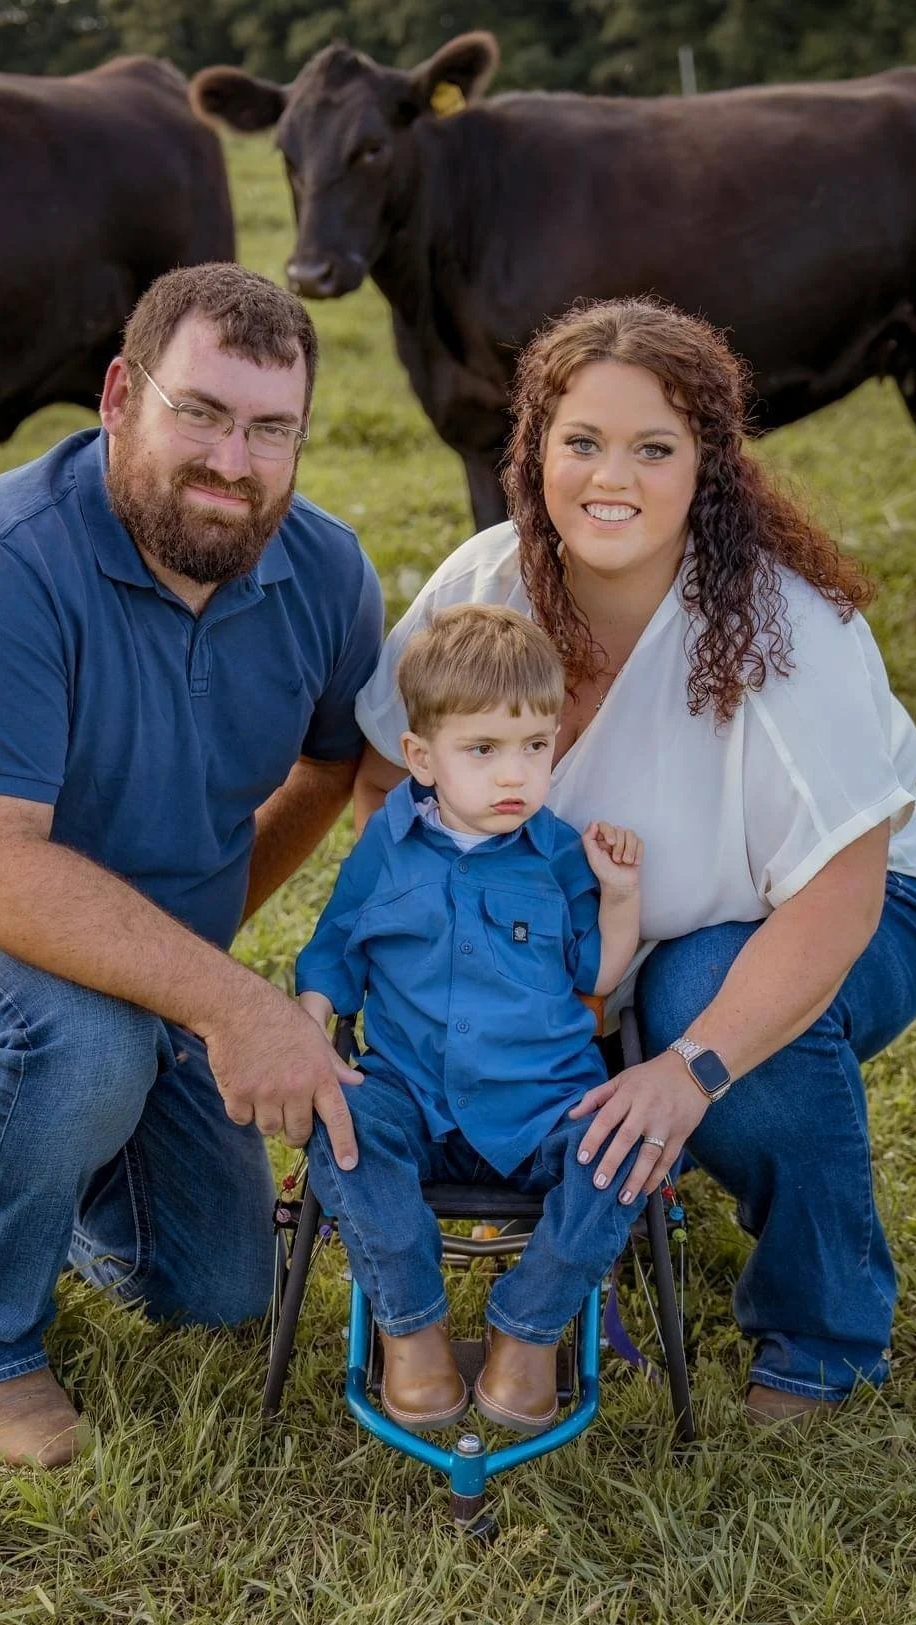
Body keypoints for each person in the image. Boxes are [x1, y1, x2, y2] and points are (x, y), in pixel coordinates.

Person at [0, 263, 383, 1467]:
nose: (234, 460)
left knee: (220, 1285)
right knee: (78, 1042)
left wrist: (190, 959)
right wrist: (222, 1000)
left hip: (112, 958)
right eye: (200, 412)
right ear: (120, 395)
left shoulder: (326, 575)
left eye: (272, 429)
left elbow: (330, 769)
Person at [352, 298, 916, 1426]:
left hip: (856, 906)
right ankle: (610, 1197)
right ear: (532, 448)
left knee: (702, 1009)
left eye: (654, 447)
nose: (610, 478)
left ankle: (825, 1333)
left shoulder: (789, 628)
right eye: (581, 441)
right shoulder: (487, 582)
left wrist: (689, 1068)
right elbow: (395, 780)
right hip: (608, 927)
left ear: (708, 466)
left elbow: (840, 892)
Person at [296, 605, 646, 1434]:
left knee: (622, 1154)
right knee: (342, 1123)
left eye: (533, 746)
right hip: (414, 1093)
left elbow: (596, 972)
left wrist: (621, 893)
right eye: (482, 750)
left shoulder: (558, 852)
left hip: (541, 1101)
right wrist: (313, 1012)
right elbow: (339, 940)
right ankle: (410, 1327)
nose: (512, 775)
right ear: (421, 757)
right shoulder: (390, 842)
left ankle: (525, 1328)